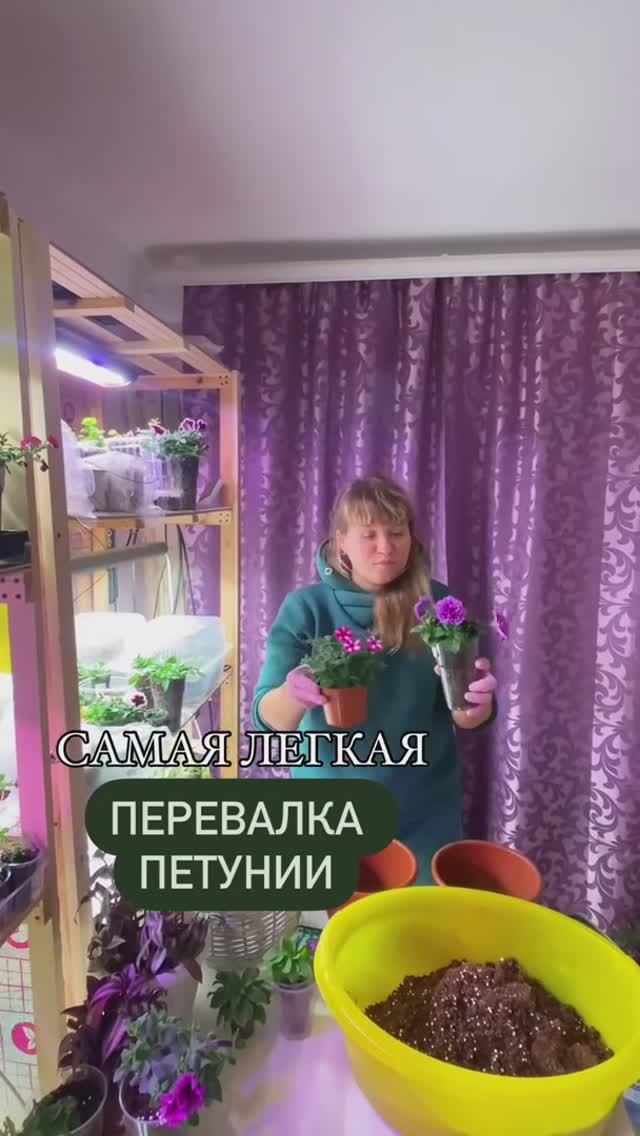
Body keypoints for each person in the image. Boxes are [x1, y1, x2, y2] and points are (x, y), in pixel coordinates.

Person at [252, 475, 497, 884]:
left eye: (397, 533)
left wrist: (477, 702)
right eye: (369, 534)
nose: (385, 547)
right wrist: (293, 691)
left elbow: (465, 715)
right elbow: (268, 718)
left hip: (423, 815)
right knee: (337, 920)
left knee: (419, 920)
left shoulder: (438, 604)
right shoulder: (305, 609)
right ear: (341, 542)